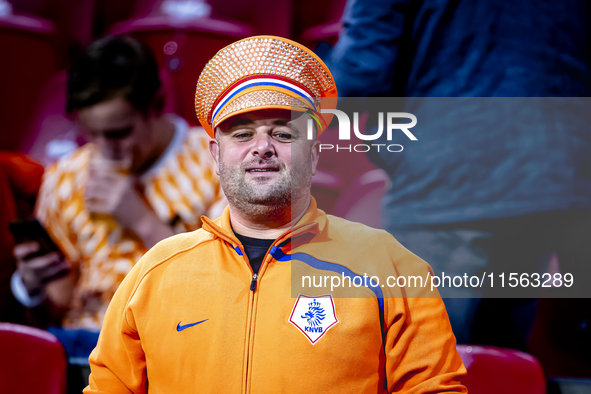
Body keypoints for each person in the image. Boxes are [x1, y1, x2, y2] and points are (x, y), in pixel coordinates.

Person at [84, 35, 466, 393]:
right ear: (215, 155)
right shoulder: (154, 272)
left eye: (283, 133)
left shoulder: (391, 266)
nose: (262, 147)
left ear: (315, 154)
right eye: (242, 133)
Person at [324, 0, 591, 368]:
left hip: (447, 181)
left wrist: (284, 115)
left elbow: (361, 73)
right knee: (502, 366)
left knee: (420, 364)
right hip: (552, 177)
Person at [11, 35, 226, 361]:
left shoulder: (216, 164)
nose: (103, 149)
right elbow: (58, 307)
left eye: (118, 133)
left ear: (156, 105)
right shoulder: (67, 176)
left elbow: (226, 290)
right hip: (81, 346)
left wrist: (140, 219)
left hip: (177, 341)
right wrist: (33, 288)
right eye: (90, 133)